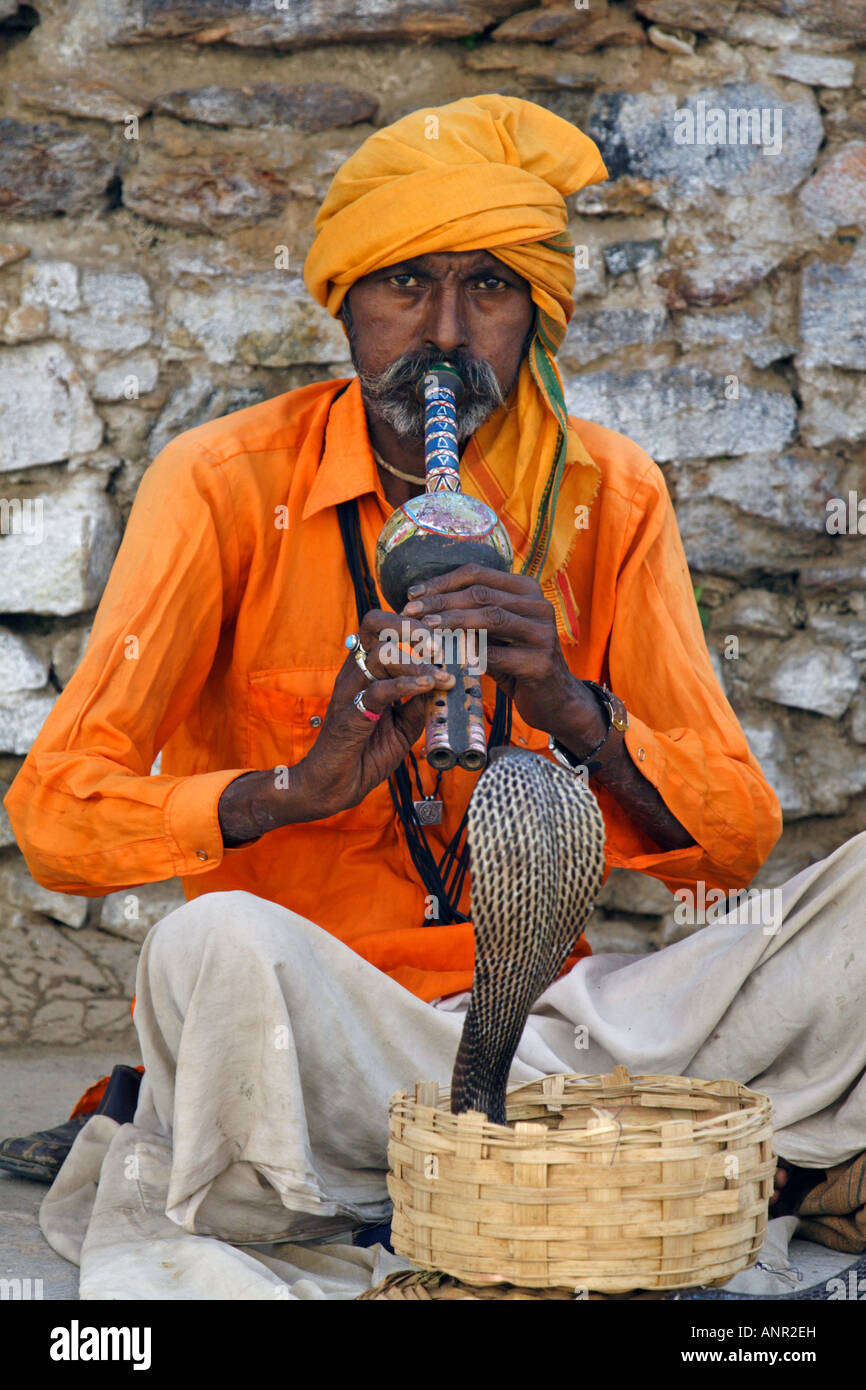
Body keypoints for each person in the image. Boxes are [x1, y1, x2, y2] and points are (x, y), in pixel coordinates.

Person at [2, 98, 862, 1288]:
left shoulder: (604, 494)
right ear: (346, 305)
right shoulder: (221, 485)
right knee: (207, 942)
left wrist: (574, 709)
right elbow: (54, 816)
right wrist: (290, 788)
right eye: (405, 287)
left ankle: (458, 1171)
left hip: (552, 1035)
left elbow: (735, 839)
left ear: (537, 318)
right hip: (321, 1035)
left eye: (490, 291)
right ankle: (683, 1166)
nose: (445, 335)